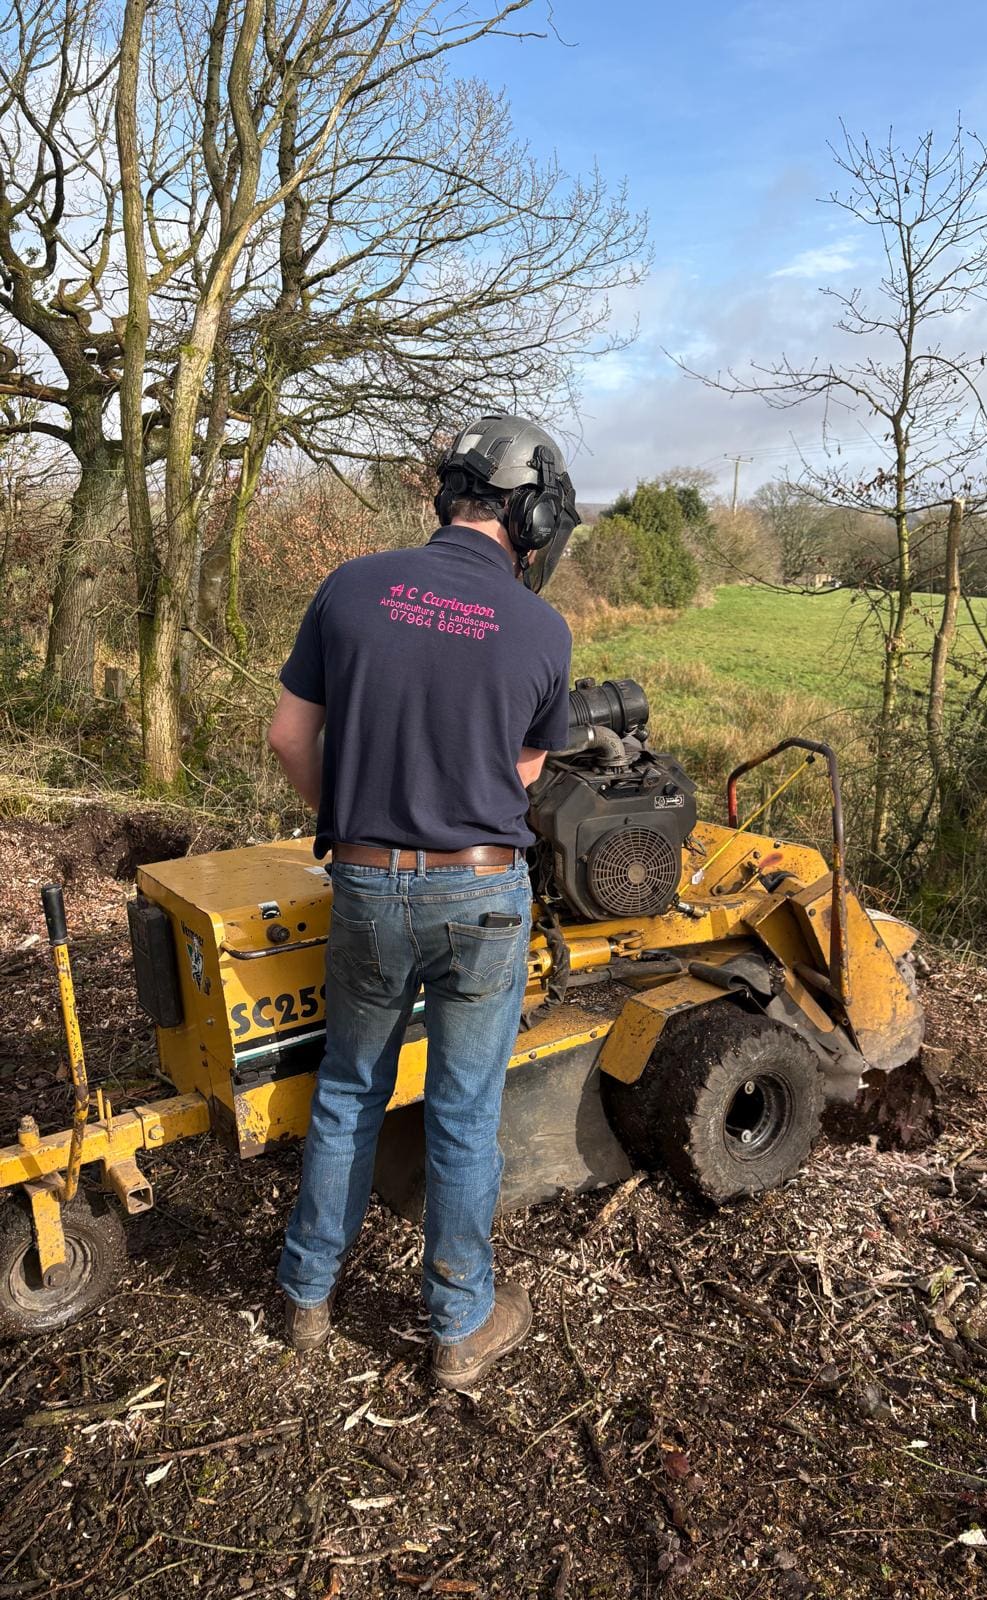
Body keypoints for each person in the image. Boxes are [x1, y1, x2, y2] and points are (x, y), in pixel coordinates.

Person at [269, 415, 578, 1390]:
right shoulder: (542, 629)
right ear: (533, 517)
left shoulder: (352, 586)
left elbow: (288, 736)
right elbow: (521, 774)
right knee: (462, 1111)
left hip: (365, 884)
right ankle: (457, 1327)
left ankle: (306, 1297)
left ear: (449, 495)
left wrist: (352, 819)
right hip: (481, 892)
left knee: (347, 1089)